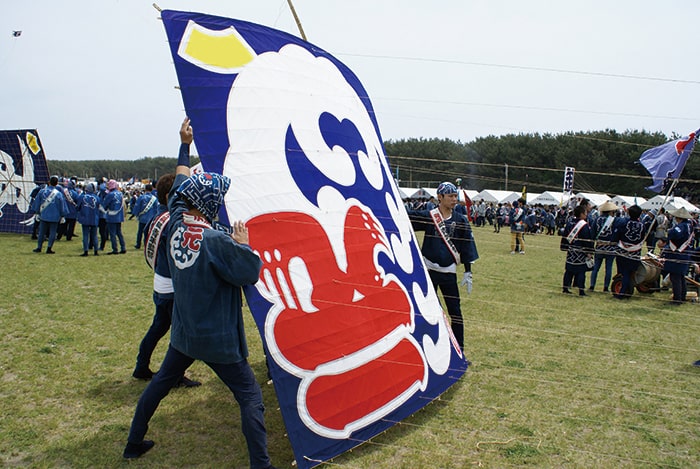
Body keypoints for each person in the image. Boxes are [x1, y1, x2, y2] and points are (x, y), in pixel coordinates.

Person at [124, 118, 276, 469]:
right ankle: (262, 465)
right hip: (218, 339)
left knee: (160, 384)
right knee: (251, 396)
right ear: (209, 204)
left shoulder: (176, 221)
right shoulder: (217, 241)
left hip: (184, 332)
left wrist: (183, 144)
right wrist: (245, 245)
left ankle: (133, 442)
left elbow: (178, 186)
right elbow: (249, 272)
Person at [132, 172, 200, 388]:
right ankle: (174, 375)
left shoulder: (156, 217)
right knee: (179, 333)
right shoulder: (173, 221)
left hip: (159, 282)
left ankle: (141, 365)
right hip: (172, 286)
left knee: (158, 326)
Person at [407, 181, 479, 354]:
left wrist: (468, 270)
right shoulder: (429, 216)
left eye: (456, 196)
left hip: (448, 273)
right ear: (440, 197)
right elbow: (407, 217)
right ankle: (429, 349)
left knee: (455, 312)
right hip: (429, 272)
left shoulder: (460, 220)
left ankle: (459, 350)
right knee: (429, 311)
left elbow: (466, 246)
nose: (455, 199)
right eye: (451, 196)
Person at [658, 207, 694, 305]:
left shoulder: (681, 226)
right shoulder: (689, 225)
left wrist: (669, 232)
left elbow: (674, 234)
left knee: (675, 277)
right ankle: (682, 296)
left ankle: (677, 299)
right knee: (681, 276)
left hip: (678, 254)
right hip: (685, 254)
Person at [612, 204, 645, 300]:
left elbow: (616, 235)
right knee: (630, 273)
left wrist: (614, 241)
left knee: (624, 273)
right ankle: (626, 289)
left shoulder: (623, 223)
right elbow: (642, 238)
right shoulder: (642, 226)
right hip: (635, 252)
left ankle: (622, 292)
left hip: (622, 251)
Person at [561, 205, 594, 296]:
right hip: (580, 251)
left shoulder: (569, 223)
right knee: (580, 271)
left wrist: (564, 246)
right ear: (582, 214)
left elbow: (565, 236)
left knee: (569, 270)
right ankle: (581, 290)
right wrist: (589, 251)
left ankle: (565, 288)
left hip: (571, 250)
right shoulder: (584, 225)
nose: (586, 215)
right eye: (585, 213)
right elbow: (587, 239)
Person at [32, 175, 68, 254]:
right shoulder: (58, 194)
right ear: (57, 183)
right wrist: (62, 215)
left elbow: (37, 203)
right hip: (55, 216)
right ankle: (49, 248)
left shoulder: (42, 191)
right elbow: (62, 206)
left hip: (44, 215)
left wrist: (37, 212)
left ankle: (39, 247)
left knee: (41, 232)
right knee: (52, 233)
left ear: (49, 182)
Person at [589, 201, 617, 292]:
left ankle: (592, 285)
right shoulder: (614, 220)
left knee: (596, 267)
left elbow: (592, 235)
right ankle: (606, 287)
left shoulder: (596, 220)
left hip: (599, 246)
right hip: (610, 247)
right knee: (608, 268)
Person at [102, 179, 127, 254]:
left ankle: (115, 249)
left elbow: (104, 205)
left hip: (112, 215)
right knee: (119, 232)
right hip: (119, 216)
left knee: (112, 233)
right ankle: (123, 247)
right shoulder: (120, 194)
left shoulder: (110, 195)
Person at [76, 182, 100, 256]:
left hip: (85, 218)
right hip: (94, 218)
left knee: (85, 235)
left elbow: (78, 207)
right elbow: (99, 206)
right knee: (95, 235)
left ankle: (86, 251)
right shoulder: (96, 197)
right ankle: (96, 250)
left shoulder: (82, 197)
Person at [133, 184, 158, 249]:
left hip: (142, 218)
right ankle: (146, 245)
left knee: (140, 232)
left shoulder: (141, 197)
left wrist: (136, 214)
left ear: (145, 189)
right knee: (148, 233)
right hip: (151, 218)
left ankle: (138, 244)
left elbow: (137, 207)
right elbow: (156, 209)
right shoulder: (155, 199)